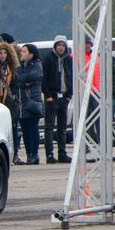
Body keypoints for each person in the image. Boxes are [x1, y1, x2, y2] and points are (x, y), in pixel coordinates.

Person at [0, 41, 20, 162]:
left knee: (13, 128)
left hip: (9, 101)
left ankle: (15, 153)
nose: (2, 55)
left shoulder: (12, 69)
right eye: (0, 53)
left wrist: (14, 97)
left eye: (5, 53)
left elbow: (16, 84)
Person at [41, 35, 72, 163]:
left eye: (63, 45)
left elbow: (71, 76)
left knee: (62, 126)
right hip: (51, 97)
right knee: (49, 127)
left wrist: (69, 94)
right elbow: (44, 78)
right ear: (55, 46)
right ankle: (49, 154)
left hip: (63, 97)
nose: (61, 47)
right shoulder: (48, 58)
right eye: (59, 45)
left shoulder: (68, 59)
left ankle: (62, 153)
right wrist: (47, 95)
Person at [15, 44, 44, 165]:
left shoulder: (36, 64)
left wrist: (24, 79)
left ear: (31, 54)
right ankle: (28, 154)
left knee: (33, 129)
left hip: (32, 101)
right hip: (22, 103)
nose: (21, 53)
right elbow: (17, 79)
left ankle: (35, 154)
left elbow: (34, 76)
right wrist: (23, 81)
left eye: (24, 51)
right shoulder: (20, 66)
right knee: (25, 130)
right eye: (21, 51)